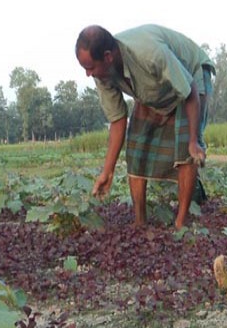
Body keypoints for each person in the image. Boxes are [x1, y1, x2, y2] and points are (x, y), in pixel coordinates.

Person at [75, 24, 215, 229]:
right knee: (136, 149)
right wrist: (108, 171)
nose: (88, 74)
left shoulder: (149, 55)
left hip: (190, 76)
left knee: (186, 151)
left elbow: (190, 90)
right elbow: (117, 120)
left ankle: (180, 223)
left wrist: (193, 140)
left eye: (90, 67)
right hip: (154, 89)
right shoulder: (102, 74)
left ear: (107, 57)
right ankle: (140, 222)